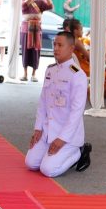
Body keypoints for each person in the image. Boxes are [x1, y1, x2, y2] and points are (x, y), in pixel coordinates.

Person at [26, 31, 92, 177]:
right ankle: (52, 153)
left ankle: (79, 152)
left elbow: (76, 112)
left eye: (60, 45)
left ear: (71, 48)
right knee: (31, 163)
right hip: (48, 130)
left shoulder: (77, 74)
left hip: (67, 135)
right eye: (54, 44)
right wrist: (38, 128)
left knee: (48, 170)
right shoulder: (50, 70)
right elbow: (43, 102)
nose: (55, 48)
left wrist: (62, 139)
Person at [67, 18, 106, 101]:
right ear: (75, 31)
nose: (82, 32)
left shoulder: (70, 40)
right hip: (81, 68)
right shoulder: (77, 42)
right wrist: (99, 64)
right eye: (81, 29)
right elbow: (88, 56)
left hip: (75, 67)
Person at [21, 0, 53, 82]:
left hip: (37, 28)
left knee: (36, 51)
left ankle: (34, 74)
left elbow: (50, 6)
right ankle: (25, 73)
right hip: (26, 28)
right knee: (26, 51)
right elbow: (24, 5)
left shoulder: (39, 1)